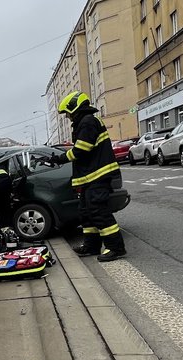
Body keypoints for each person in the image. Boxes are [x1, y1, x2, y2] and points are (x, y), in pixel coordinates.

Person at [48, 91, 126, 261]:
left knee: (99, 211)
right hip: (91, 177)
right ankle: (92, 246)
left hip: (98, 175)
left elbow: (82, 149)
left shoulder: (87, 122)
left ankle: (116, 248)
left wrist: (59, 158)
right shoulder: (85, 122)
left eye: (67, 113)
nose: (67, 117)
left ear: (74, 107)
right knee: (86, 213)